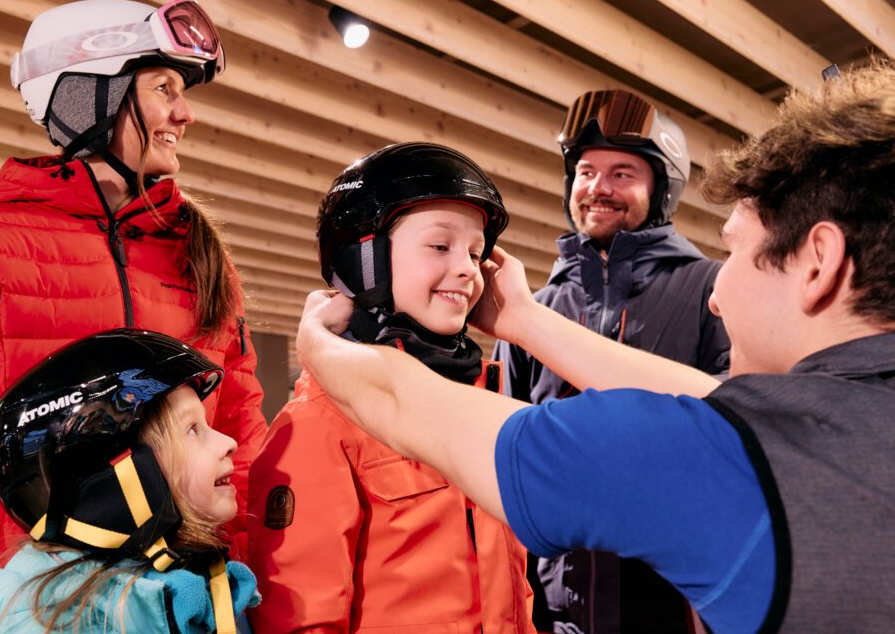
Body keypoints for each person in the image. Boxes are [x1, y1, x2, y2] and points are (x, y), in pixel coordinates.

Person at [293, 61, 895, 633]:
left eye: (734, 251)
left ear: (820, 262)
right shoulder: (836, 428)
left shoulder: (728, 461)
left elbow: (406, 408)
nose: (716, 296)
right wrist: (526, 320)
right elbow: (716, 402)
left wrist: (319, 347)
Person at [0, 0, 267, 631]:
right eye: (163, 87)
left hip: (183, 603)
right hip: (34, 609)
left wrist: (245, 597)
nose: (185, 113)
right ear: (89, 93)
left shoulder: (203, 257)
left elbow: (244, 437)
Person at [247, 142, 535, 633]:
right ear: (367, 261)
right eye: (441, 246)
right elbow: (300, 619)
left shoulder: (488, 405)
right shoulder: (322, 421)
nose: (468, 267)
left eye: (475, 251)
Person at [492, 89, 730, 634]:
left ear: (661, 188)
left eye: (622, 173)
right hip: (558, 611)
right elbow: (505, 455)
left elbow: (738, 433)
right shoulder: (536, 309)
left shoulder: (710, 291)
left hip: (677, 607)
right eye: (585, 171)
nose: (598, 187)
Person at [0, 329, 260, 633]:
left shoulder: (203, 587)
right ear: (115, 476)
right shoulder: (48, 620)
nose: (228, 442)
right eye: (192, 429)